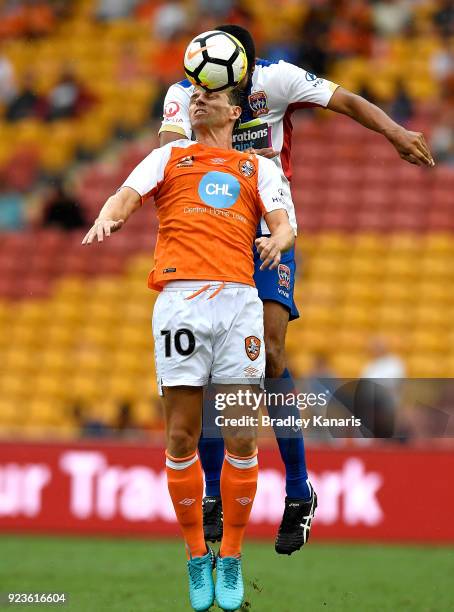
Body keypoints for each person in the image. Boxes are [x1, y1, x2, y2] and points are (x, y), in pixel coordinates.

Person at [159, 24, 435, 556]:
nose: (205, 89)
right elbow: (168, 156)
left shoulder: (276, 80)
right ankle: (214, 492)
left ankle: (297, 488)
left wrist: (395, 132)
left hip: (270, 229)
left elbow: (346, 99)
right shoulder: (183, 96)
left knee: (272, 351)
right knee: (220, 368)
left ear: (244, 69)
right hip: (212, 238)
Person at [82, 86, 293, 612]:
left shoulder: (258, 168)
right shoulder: (167, 157)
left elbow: (285, 223)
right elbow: (126, 194)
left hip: (239, 304)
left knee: (242, 436)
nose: (199, 99)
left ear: (236, 109)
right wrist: (111, 215)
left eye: (211, 94)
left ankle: (234, 556)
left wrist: (277, 240)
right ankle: (198, 555)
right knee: (182, 434)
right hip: (180, 304)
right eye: (194, 93)